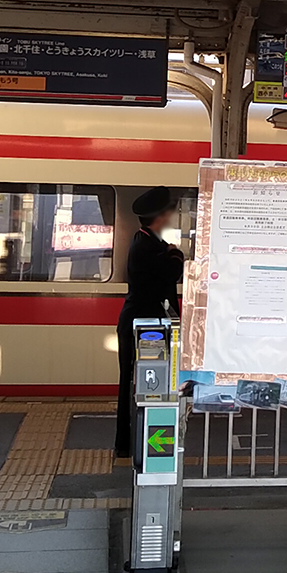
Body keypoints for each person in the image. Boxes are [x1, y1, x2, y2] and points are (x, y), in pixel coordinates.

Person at [115, 185, 189, 459]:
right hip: (142, 326)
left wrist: (172, 254)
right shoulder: (147, 246)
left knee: (138, 383)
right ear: (159, 217)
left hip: (140, 322)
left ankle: (129, 443)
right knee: (139, 384)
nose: (170, 217)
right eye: (168, 213)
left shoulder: (145, 240)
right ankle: (128, 445)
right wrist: (177, 255)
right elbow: (173, 270)